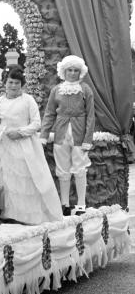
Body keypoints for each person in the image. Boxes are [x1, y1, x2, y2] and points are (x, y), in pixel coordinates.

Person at [0, 67, 62, 224]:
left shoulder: (28, 100)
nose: (13, 86)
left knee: (26, 177)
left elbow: (37, 123)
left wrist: (20, 132)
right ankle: (10, 213)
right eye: (10, 82)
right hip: (5, 144)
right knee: (9, 179)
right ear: (4, 83)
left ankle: (29, 216)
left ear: (21, 84)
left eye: (17, 83)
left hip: (25, 144)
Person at [40, 55, 95, 216]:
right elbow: (49, 113)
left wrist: (87, 139)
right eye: (69, 70)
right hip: (60, 133)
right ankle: (64, 204)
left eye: (75, 70)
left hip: (79, 135)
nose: (72, 73)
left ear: (80, 72)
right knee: (62, 169)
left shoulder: (85, 89)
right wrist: (44, 134)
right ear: (64, 71)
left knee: (80, 168)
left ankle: (81, 204)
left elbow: (91, 115)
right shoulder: (56, 90)